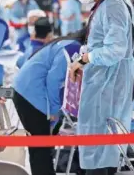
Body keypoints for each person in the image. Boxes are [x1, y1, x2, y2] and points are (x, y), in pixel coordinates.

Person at [66, 0, 134, 175]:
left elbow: (115, 50)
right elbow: (100, 43)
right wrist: (82, 59)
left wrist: (86, 59)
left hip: (109, 84)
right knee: (98, 148)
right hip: (103, 80)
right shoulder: (104, 4)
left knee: (101, 150)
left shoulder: (113, 6)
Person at [13, 28, 86, 175]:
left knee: (40, 147)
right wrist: (53, 111)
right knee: (41, 148)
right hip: (32, 96)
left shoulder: (68, 44)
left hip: (28, 92)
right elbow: (54, 80)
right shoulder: (73, 48)